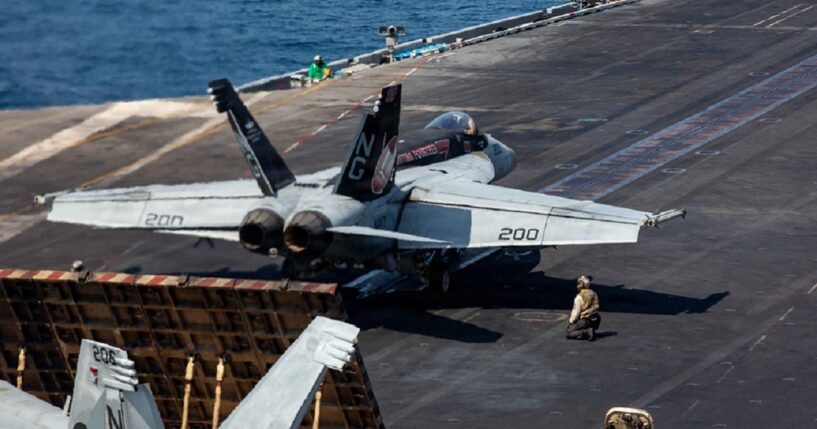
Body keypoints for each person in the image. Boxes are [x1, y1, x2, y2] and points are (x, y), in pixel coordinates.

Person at [566, 275, 601, 341]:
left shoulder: (579, 297)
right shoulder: (594, 293)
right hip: (596, 319)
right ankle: (590, 329)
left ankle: (586, 332)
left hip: (585, 320)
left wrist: (571, 322)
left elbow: (576, 312)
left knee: (569, 332)